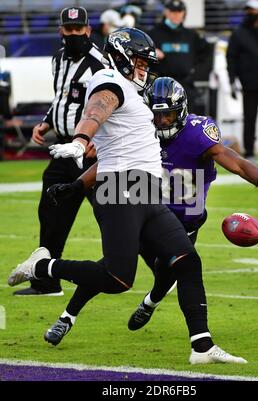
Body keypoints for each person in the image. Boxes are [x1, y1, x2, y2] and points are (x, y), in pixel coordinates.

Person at [8, 27, 248, 365]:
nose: (143, 69)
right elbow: (96, 109)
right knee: (118, 278)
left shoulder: (135, 93)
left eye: (145, 63)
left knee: (187, 260)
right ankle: (44, 265)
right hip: (119, 187)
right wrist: (80, 139)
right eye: (137, 61)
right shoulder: (109, 81)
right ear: (119, 57)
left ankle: (202, 346)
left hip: (147, 190)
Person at [47, 77, 258, 332]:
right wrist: (78, 186)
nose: (160, 122)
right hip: (147, 212)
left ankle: (150, 303)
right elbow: (111, 162)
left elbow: (232, 160)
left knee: (169, 273)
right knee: (112, 266)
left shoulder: (197, 133)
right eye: (156, 116)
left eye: (167, 116)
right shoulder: (141, 132)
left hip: (186, 221)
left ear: (180, 111)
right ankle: (67, 316)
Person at [12, 6, 107, 296]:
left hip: (91, 153)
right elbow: (62, 98)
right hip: (64, 149)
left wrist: (99, 140)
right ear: (61, 31)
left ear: (89, 30)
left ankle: (163, 268)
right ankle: (46, 280)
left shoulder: (100, 64)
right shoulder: (59, 59)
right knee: (51, 211)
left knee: (115, 213)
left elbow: (110, 105)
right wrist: (46, 122)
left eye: (80, 30)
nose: (75, 34)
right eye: (70, 29)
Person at [226, 0, 258, 162]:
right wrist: (232, 80)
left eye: (253, 10)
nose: (250, 14)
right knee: (250, 118)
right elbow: (231, 57)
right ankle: (250, 152)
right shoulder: (239, 32)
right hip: (249, 82)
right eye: (248, 11)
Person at [149, 0, 210, 114]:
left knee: (188, 120)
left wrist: (195, 70)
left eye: (179, 12)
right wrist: (152, 53)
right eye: (173, 11)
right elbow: (143, 57)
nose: (176, 15)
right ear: (166, 13)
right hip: (162, 87)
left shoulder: (191, 35)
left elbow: (206, 53)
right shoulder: (154, 34)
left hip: (186, 86)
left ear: (184, 13)